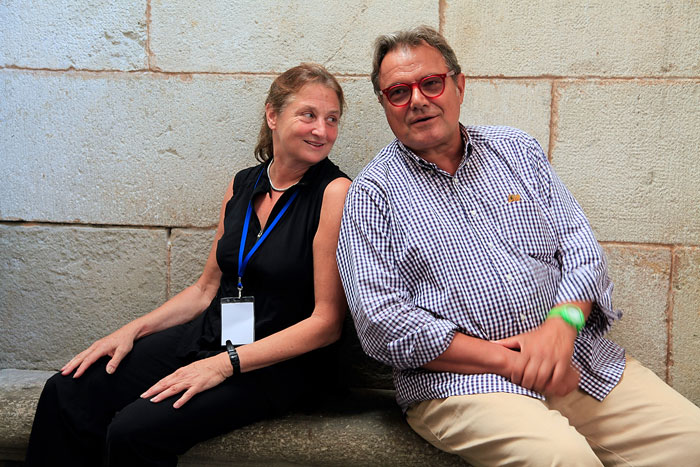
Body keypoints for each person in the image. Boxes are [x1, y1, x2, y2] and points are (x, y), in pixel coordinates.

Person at [336, 26, 700, 466]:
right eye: (398, 92)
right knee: (564, 460)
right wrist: (510, 361)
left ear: (458, 85)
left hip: (578, 361)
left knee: (691, 443)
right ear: (384, 105)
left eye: (430, 83)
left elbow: (580, 249)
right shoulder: (372, 194)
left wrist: (561, 328)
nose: (417, 99)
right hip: (460, 387)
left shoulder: (517, 151)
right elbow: (380, 321)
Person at [25, 63, 351, 466]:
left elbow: (327, 323)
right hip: (217, 335)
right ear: (273, 115)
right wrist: (132, 330)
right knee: (67, 389)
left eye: (332, 119)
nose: (322, 130)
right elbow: (203, 290)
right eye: (309, 115)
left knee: (134, 431)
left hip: (280, 364)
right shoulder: (243, 183)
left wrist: (223, 365)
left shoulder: (335, 192)